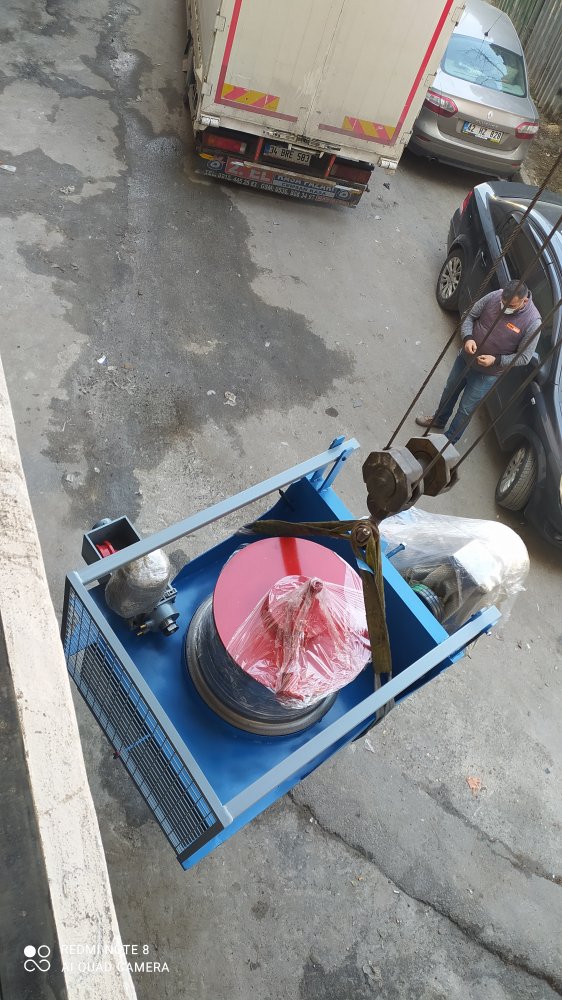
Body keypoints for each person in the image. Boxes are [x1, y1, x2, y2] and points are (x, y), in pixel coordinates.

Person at [416, 280, 541, 444]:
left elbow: (524, 357)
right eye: (503, 302)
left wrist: (496, 360)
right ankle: (439, 420)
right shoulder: (495, 296)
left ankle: (448, 442)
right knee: (449, 390)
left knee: (466, 409)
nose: (504, 307)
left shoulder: (533, 322)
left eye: (510, 306)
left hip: (487, 374)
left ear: (524, 301)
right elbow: (470, 315)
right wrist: (467, 338)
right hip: (465, 359)